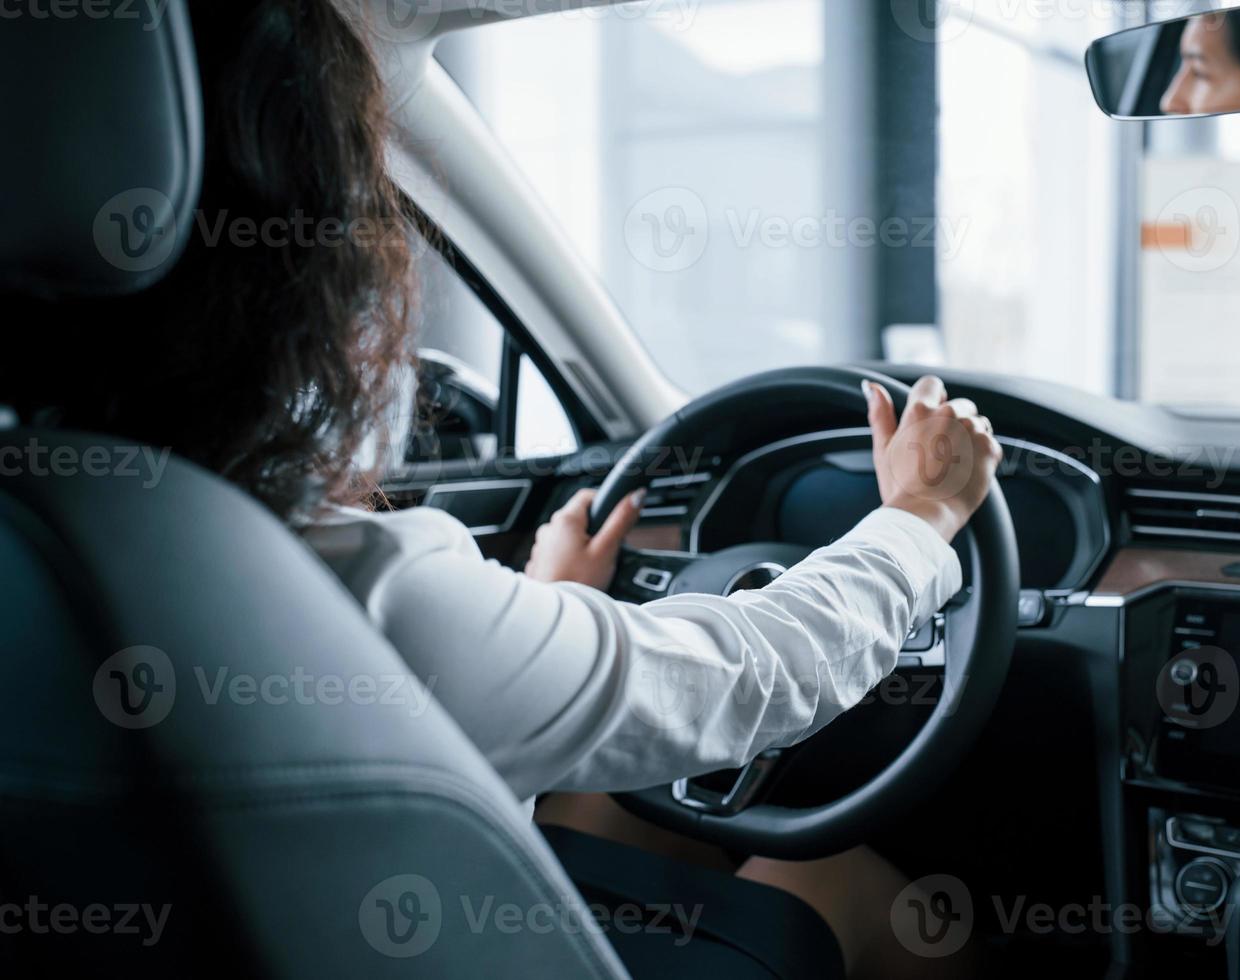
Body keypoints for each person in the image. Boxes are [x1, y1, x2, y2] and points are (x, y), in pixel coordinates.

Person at [5, 2, 1000, 977]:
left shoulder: (40, 548)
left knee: (605, 811)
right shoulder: (356, 590)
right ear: (293, 266)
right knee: (844, 881)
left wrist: (550, 604)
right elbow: (749, 673)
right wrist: (920, 517)